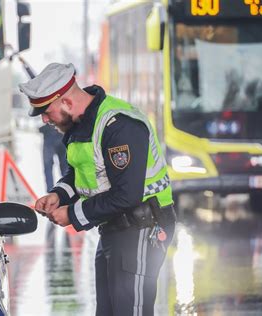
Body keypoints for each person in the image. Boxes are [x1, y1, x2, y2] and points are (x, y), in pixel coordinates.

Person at [19, 62, 176, 315]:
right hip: (114, 227)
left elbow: (127, 195)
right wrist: (58, 195)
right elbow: (80, 171)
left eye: (46, 112)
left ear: (67, 102)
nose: (44, 120)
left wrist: (71, 214)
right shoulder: (80, 124)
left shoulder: (119, 125)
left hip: (142, 228)